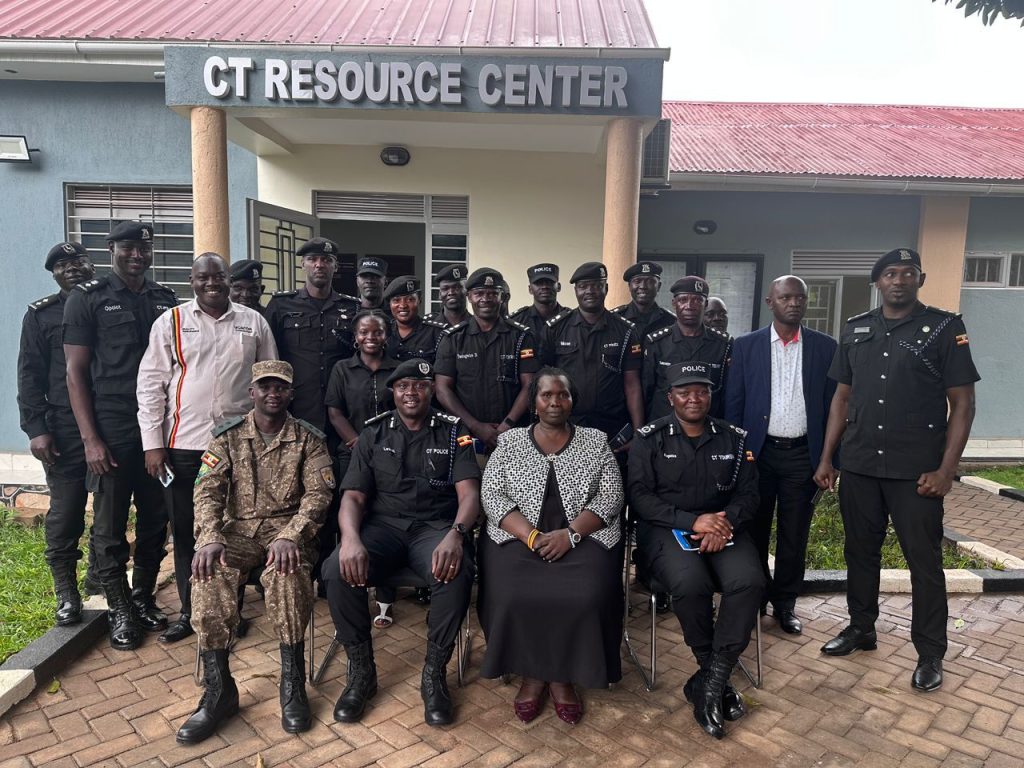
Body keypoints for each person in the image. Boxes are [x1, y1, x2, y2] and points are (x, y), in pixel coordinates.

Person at [815, 248, 979, 693]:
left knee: (924, 564)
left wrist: (947, 469)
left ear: (920, 280)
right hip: (862, 464)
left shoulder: (945, 329)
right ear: (878, 282)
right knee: (859, 553)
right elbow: (842, 400)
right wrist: (828, 458)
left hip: (916, 472)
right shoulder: (856, 329)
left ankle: (930, 653)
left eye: (908, 273)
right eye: (890, 273)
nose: (899, 280)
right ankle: (861, 629)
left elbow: (962, 403)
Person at [176, 360, 333, 744]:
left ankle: (292, 683)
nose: (273, 394)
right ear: (252, 393)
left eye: (280, 388)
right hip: (239, 532)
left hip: (288, 534)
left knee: (287, 573)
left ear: (290, 394)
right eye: (265, 387)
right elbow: (207, 490)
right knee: (208, 571)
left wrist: (292, 535)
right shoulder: (227, 437)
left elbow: (319, 494)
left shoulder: (309, 439)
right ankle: (218, 690)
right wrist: (209, 536)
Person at [323, 359, 480, 727]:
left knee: (455, 572)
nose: (412, 392)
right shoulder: (373, 434)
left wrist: (456, 535)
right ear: (392, 392)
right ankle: (361, 671)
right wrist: (350, 539)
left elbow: (470, 494)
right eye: (404, 385)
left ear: (432, 391)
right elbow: (353, 498)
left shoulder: (453, 433)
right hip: (384, 529)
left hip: (435, 528)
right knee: (334, 570)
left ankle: (434, 674)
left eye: (421, 385)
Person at [136, 253, 278, 644]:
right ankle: (191, 612)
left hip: (240, 446)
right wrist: (153, 445)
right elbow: (150, 386)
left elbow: (271, 383)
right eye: (204, 277)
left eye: (218, 277)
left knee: (234, 529)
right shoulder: (172, 322)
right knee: (188, 532)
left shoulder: (253, 322)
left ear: (228, 280)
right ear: (192, 280)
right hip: (184, 445)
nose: (212, 283)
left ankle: (228, 610)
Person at [479, 368, 624, 725]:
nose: (555, 402)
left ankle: (562, 678)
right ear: (534, 403)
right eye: (547, 395)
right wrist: (530, 536)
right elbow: (491, 494)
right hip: (519, 538)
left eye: (563, 395)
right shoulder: (510, 442)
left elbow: (612, 495)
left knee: (586, 595)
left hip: (584, 537)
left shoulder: (595, 440)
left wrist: (571, 534)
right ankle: (532, 676)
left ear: (573, 401)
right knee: (514, 594)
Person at [628, 362, 763, 741]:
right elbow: (639, 497)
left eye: (701, 391)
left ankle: (707, 683)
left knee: (749, 581)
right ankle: (716, 678)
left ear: (710, 395)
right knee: (690, 584)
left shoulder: (733, 439)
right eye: (684, 392)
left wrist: (724, 522)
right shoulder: (649, 439)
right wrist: (693, 522)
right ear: (671, 397)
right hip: (668, 530)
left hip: (723, 528)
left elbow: (750, 493)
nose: (693, 398)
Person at [63, 221, 178, 650]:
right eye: (128, 247)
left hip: (157, 426)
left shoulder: (163, 299)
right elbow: (75, 374)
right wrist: (90, 439)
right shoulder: (87, 298)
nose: (137, 255)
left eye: (143, 248)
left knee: (155, 518)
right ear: (112, 249)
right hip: (110, 425)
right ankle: (119, 609)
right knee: (110, 526)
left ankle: (143, 597)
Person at [724, 276, 836, 635]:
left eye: (800, 297)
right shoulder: (746, 346)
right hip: (759, 455)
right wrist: (737, 457)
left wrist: (829, 459)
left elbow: (836, 406)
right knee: (753, 532)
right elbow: (734, 405)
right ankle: (755, 599)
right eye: (786, 297)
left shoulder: (825, 347)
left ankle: (785, 604)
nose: (794, 303)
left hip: (803, 456)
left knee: (794, 534)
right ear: (770, 302)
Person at [17, 241, 99, 626]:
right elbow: (29, 374)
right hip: (64, 429)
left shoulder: (107, 302)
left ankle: (100, 582)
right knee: (66, 513)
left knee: (110, 512)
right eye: (62, 265)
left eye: (78, 261)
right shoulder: (41, 315)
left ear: (91, 264)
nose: (72, 269)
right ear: (53, 273)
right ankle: (66, 592)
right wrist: (36, 429)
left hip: (111, 421)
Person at [434, 268, 539, 455]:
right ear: (469, 297)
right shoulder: (453, 338)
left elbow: (529, 385)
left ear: (502, 297)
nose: (486, 298)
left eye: (493, 293)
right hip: (465, 435)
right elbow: (442, 390)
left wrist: (507, 425)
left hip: (514, 434)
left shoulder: (521, 337)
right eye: (479, 293)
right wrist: (475, 426)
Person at [264, 237, 360, 433]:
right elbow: (269, 357)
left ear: (336, 266)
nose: (319, 265)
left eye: (326, 260)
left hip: (341, 406)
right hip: (295, 405)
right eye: (312, 259)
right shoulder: (281, 305)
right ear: (303, 264)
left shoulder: (352, 308)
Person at [543, 262, 644, 445]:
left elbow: (632, 384)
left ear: (605, 288)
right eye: (583, 286)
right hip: (566, 423)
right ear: (575, 291)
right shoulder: (556, 328)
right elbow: (542, 380)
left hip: (612, 426)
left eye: (596, 285)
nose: (589, 291)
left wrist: (638, 434)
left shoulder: (625, 330)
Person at [643, 276, 732, 421]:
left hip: (708, 430)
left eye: (697, 300)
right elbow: (646, 391)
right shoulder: (656, 342)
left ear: (706, 304)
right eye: (683, 300)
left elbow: (727, 392)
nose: (690, 306)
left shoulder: (723, 344)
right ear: (674, 303)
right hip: (664, 428)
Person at [384, 275, 446, 363]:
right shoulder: (383, 332)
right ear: (389, 304)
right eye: (396, 300)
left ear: (419, 301)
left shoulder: (436, 333)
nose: (403, 305)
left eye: (410, 299)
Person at [612, 261, 675, 342]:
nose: (643, 286)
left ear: (659, 286)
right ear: (629, 286)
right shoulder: (614, 319)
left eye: (650, 281)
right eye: (637, 281)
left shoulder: (671, 321)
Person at [509, 263, 564, 351]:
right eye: (538, 283)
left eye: (550, 282)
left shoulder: (572, 320)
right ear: (530, 289)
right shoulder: (517, 321)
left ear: (558, 287)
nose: (545, 287)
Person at [426, 264, 469, 328]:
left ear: (466, 291)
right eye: (445, 289)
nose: (451, 293)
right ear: (440, 294)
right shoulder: (427, 326)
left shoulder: (477, 325)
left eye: (456, 288)